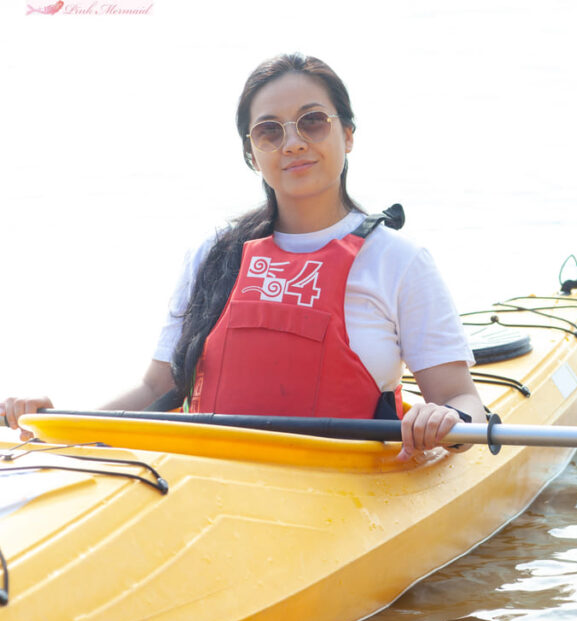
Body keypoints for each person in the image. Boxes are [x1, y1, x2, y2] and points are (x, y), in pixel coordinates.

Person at [2, 53, 485, 461]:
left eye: (313, 121)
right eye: (269, 131)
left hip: (347, 481)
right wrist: (58, 424)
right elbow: (156, 390)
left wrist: (444, 416)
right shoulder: (215, 255)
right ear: (253, 154)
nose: (293, 142)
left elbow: (461, 398)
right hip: (214, 479)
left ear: (349, 135)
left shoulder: (398, 261)